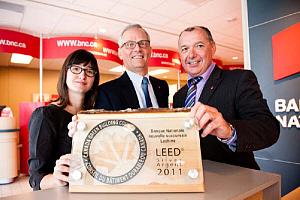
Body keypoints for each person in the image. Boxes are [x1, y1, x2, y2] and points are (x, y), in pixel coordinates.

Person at [173, 26, 280, 169]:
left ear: (213, 47)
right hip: (192, 178)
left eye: (199, 46)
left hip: (236, 181)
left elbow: (268, 128)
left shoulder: (239, 79)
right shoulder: (179, 96)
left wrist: (230, 131)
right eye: (184, 49)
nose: (191, 54)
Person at [28, 49, 100, 190]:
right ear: (65, 73)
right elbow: (36, 178)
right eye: (76, 69)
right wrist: (56, 179)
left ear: (94, 79)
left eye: (89, 71)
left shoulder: (94, 117)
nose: (83, 75)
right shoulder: (45, 115)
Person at [95, 24, 169, 110]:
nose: (137, 49)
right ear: (120, 53)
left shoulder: (162, 86)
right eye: (130, 44)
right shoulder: (106, 92)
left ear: (150, 50)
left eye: (143, 43)